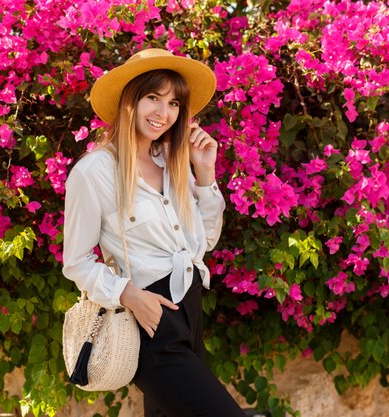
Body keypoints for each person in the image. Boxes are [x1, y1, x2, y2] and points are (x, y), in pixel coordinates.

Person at [63, 48, 245, 417]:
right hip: (149, 320)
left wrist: (206, 174)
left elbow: (203, 243)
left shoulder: (172, 163)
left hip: (190, 311)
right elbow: (76, 263)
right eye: (152, 98)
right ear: (129, 99)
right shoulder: (95, 172)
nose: (164, 113)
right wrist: (128, 294)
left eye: (174, 103)